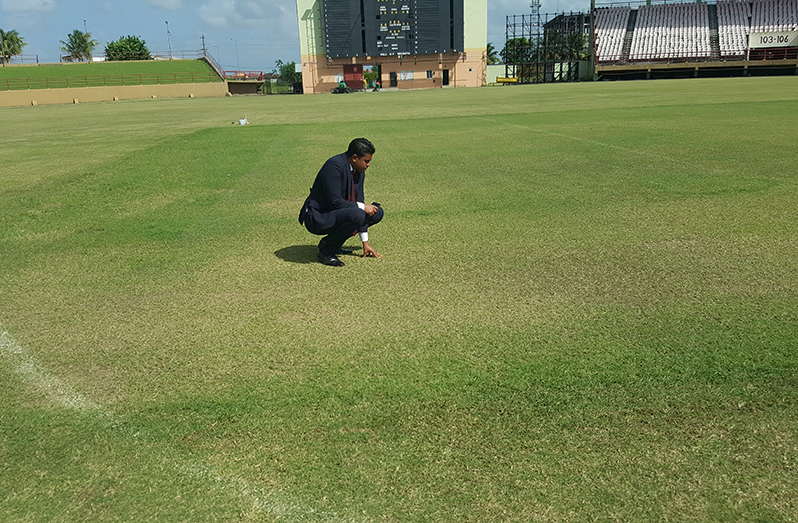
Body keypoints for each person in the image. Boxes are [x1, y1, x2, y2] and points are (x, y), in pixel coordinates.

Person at [298, 138, 384, 267]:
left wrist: (365, 242)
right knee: (358, 213)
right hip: (318, 217)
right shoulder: (333, 166)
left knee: (377, 212)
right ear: (355, 157)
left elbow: (359, 200)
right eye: (366, 161)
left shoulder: (359, 171)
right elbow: (335, 202)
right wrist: (362, 207)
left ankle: (335, 245)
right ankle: (326, 251)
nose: (368, 165)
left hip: (339, 213)